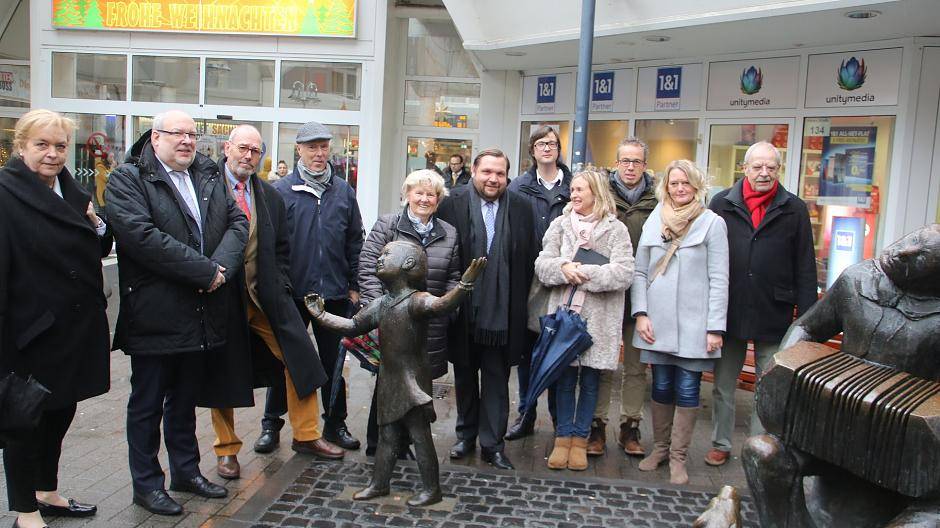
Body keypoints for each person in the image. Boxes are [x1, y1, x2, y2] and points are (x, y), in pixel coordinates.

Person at [105, 110, 248, 516]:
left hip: (201, 311)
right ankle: (147, 484)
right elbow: (142, 238)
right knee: (148, 403)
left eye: (192, 134)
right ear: (155, 137)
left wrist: (219, 270)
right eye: (176, 134)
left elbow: (239, 223)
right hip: (155, 312)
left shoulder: (206, 173)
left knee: (184, 400)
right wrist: (205, 272)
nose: (187, 141)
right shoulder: (128, 179)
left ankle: (186, 471)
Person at [202, 125, 338, 482]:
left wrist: (280, 283)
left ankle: (307, 435)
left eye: (255, 151)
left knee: (300, 358)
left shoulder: (269, 195)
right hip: (222, 297)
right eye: (242, 148)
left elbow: (281, 249)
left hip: (266, 296)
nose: (248, 156)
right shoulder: (205, 188)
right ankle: (226, 449)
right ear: (227, 148)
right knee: (224, 372)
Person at [307, 244, 486, 507]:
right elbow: (353, 326)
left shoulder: (417, 300)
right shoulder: (381, 304)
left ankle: (431, 489)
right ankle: (379, 484)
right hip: (389, 379)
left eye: (387, 255)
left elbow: (442, 305)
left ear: (409, 264)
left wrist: (464, 285)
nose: (380, 258)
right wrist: (321, 315)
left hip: (412, 381)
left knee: (419, 434)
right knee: (387, 436)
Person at [0, 110, 112, 528]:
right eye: (41, 145)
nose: (52, 154)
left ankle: (46, 491)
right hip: (26, 331)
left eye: (60, 146)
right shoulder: (7, 193)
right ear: (21, 147)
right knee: (23, 419)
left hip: (73, 329)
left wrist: (97, 225)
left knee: (60, 411)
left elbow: (98, 244)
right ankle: (25, 510)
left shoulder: (72, 189)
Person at [705, 141, 817, 467]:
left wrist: (806, 320)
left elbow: (805, 265)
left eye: (771, 167)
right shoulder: (721, 203)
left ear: (779, 170)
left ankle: (758, 447)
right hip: (730, 307)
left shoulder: (794, 208)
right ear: (745, 168)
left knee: (766, 389)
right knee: (724, 385)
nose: (764, 173)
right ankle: (720, 443)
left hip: (774, 311)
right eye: (757, 166)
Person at [264, 121, 364, 452]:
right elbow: (271, 245)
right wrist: (279, 287)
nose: (319, 154)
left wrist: (354, 285)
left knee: (334, 363)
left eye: (323, 147)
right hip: (293, 294)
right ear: (299, 150)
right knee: (286, 362)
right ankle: (271, 423)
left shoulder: (343, 191)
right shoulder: (280, 191)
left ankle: (336, 424)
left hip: (333, 294)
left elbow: (354, 240)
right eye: (311, 148)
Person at [436, 148, 537, 470]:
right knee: (464, 374)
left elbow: (530, 258)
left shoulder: (521, 207)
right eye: (487, 172)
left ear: (507, 177)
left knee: (496, 378)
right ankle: (465, 435)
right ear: (475, 172)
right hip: (463, 308)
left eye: (500, 174)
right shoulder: (452, 203)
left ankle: (492, 444)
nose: (493, 179)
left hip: (504, 312)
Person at [632, 159, 729, 485]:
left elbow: (720, 278)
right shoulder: (653, 220)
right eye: (674, 183)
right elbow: (640, 271)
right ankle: (659, 449)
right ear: (666, 187)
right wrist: (640, 313)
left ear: (697, 186)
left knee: (687, 388)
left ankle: (678, 458)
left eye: (686, 183)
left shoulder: (712, 223)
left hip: (695, 324)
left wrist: (715, 328)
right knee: (660, 386)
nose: (680, 188)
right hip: (656, 321)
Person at [533, 170, 634, 471]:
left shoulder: (616, 230)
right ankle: (562, 438)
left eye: (580, 190)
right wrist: (564, 268)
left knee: (590, 381)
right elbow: (542, 264)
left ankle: (580, 439)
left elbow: (625, 272)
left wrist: (584, 274)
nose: (574, 195)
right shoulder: (560, 225)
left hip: (598, 319)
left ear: (596, 193)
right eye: (573, 190)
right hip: (564, 316)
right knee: (563, 380)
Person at [358, 169, 460, 456]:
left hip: (427, 322)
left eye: (431, 194)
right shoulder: (388, 224)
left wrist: (441, 308)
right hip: (390, 321)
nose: (424, 199)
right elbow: (368, 266)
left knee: (417, 382)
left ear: (438, 200)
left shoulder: (449, 233)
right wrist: (378, 308)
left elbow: (453, 275)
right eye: (419, 192)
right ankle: (379, 443)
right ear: (407, 195)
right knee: (389, 380)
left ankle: (403, 443)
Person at [589, 136, 658, 457]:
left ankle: (630, 426)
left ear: (645, 165)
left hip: (642, 294)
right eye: (625, 161)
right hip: (605, 291)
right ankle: (596, 425)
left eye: (637, 161)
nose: (631, 167)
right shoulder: (601, 194)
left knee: (634, 367)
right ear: (616, 163)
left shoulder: (658, 198)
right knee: (603, 363)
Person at [505, 125, 573, 441]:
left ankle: (561, 422)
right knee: (528, 353)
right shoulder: (517, 187)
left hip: (564, 280)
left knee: (561, 351)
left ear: (559, 149)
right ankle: (526, 414)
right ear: (532, 150)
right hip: (528, 280)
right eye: (540, 143)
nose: (547, 148)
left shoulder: (575, 185)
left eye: (552, 143)